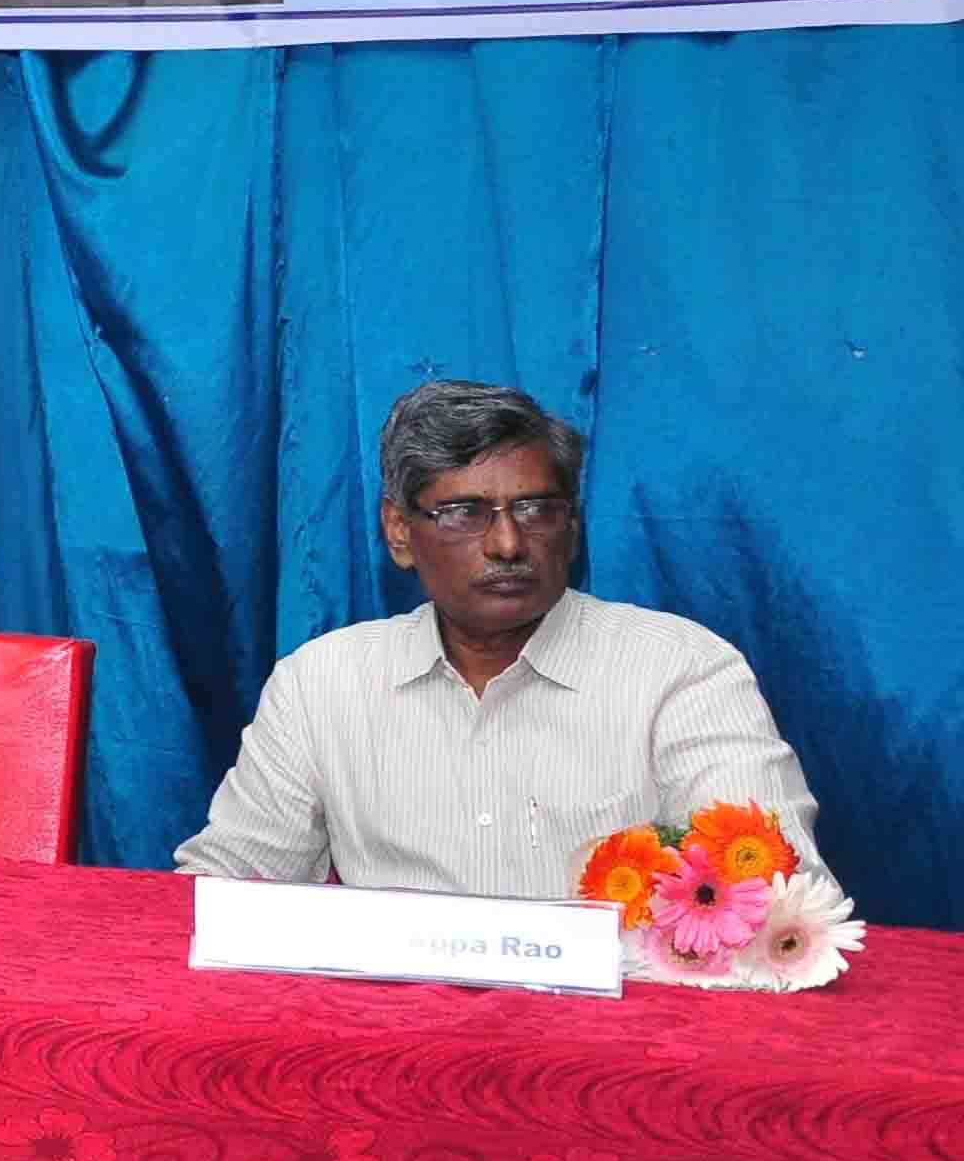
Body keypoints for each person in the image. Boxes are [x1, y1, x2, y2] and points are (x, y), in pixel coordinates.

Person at [175, 378, 831, 900]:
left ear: (572, 528)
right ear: (399, 532)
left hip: (613, 1022)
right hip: (394, 1022)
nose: (508, 543)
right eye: (464, 513)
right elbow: (225, 889)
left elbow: (777, 899)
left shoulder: (681, 671)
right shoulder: (322, 683)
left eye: (536, 509)